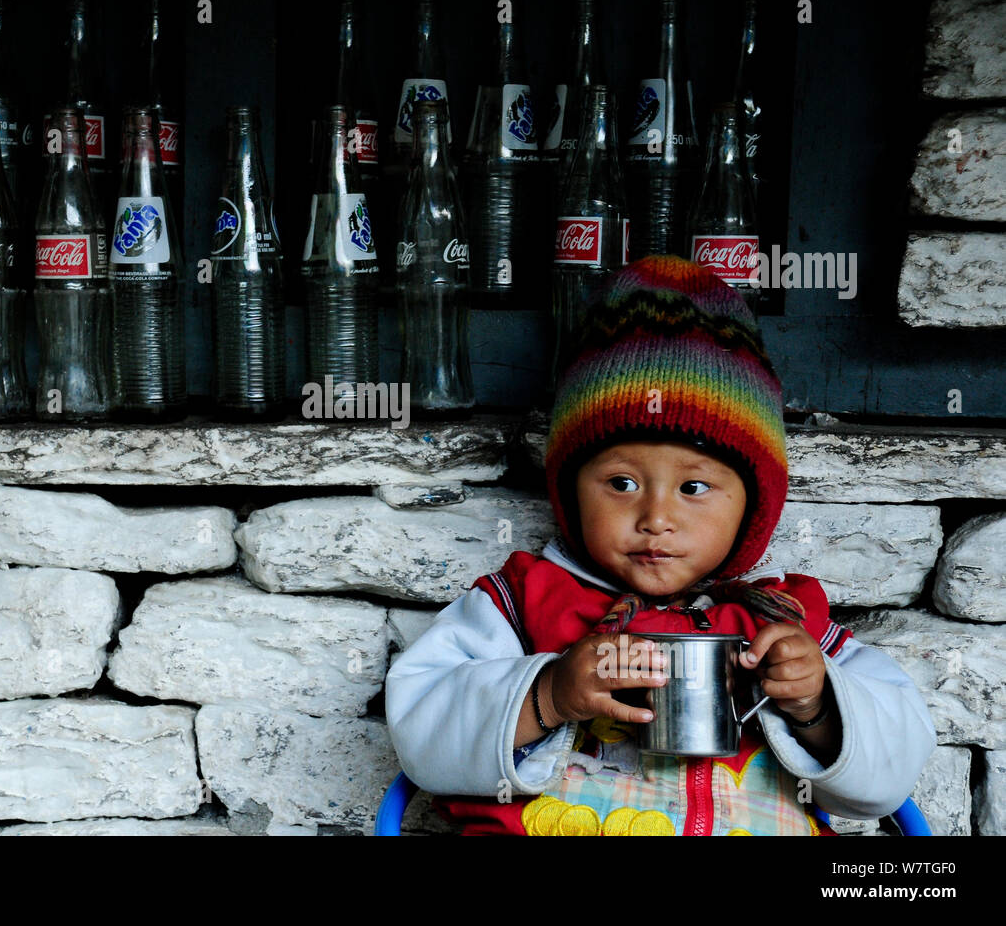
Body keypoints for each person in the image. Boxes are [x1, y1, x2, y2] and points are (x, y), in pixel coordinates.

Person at [384, 254, 937, 836]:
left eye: (694, 487)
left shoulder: (784, 620)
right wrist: (549, 693)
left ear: (753, 506)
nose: (655, 518)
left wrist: (817, 704)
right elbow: (422, 735)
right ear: (570, 493)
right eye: (621, 484)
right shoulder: (522, 604)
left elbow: (888, 780)